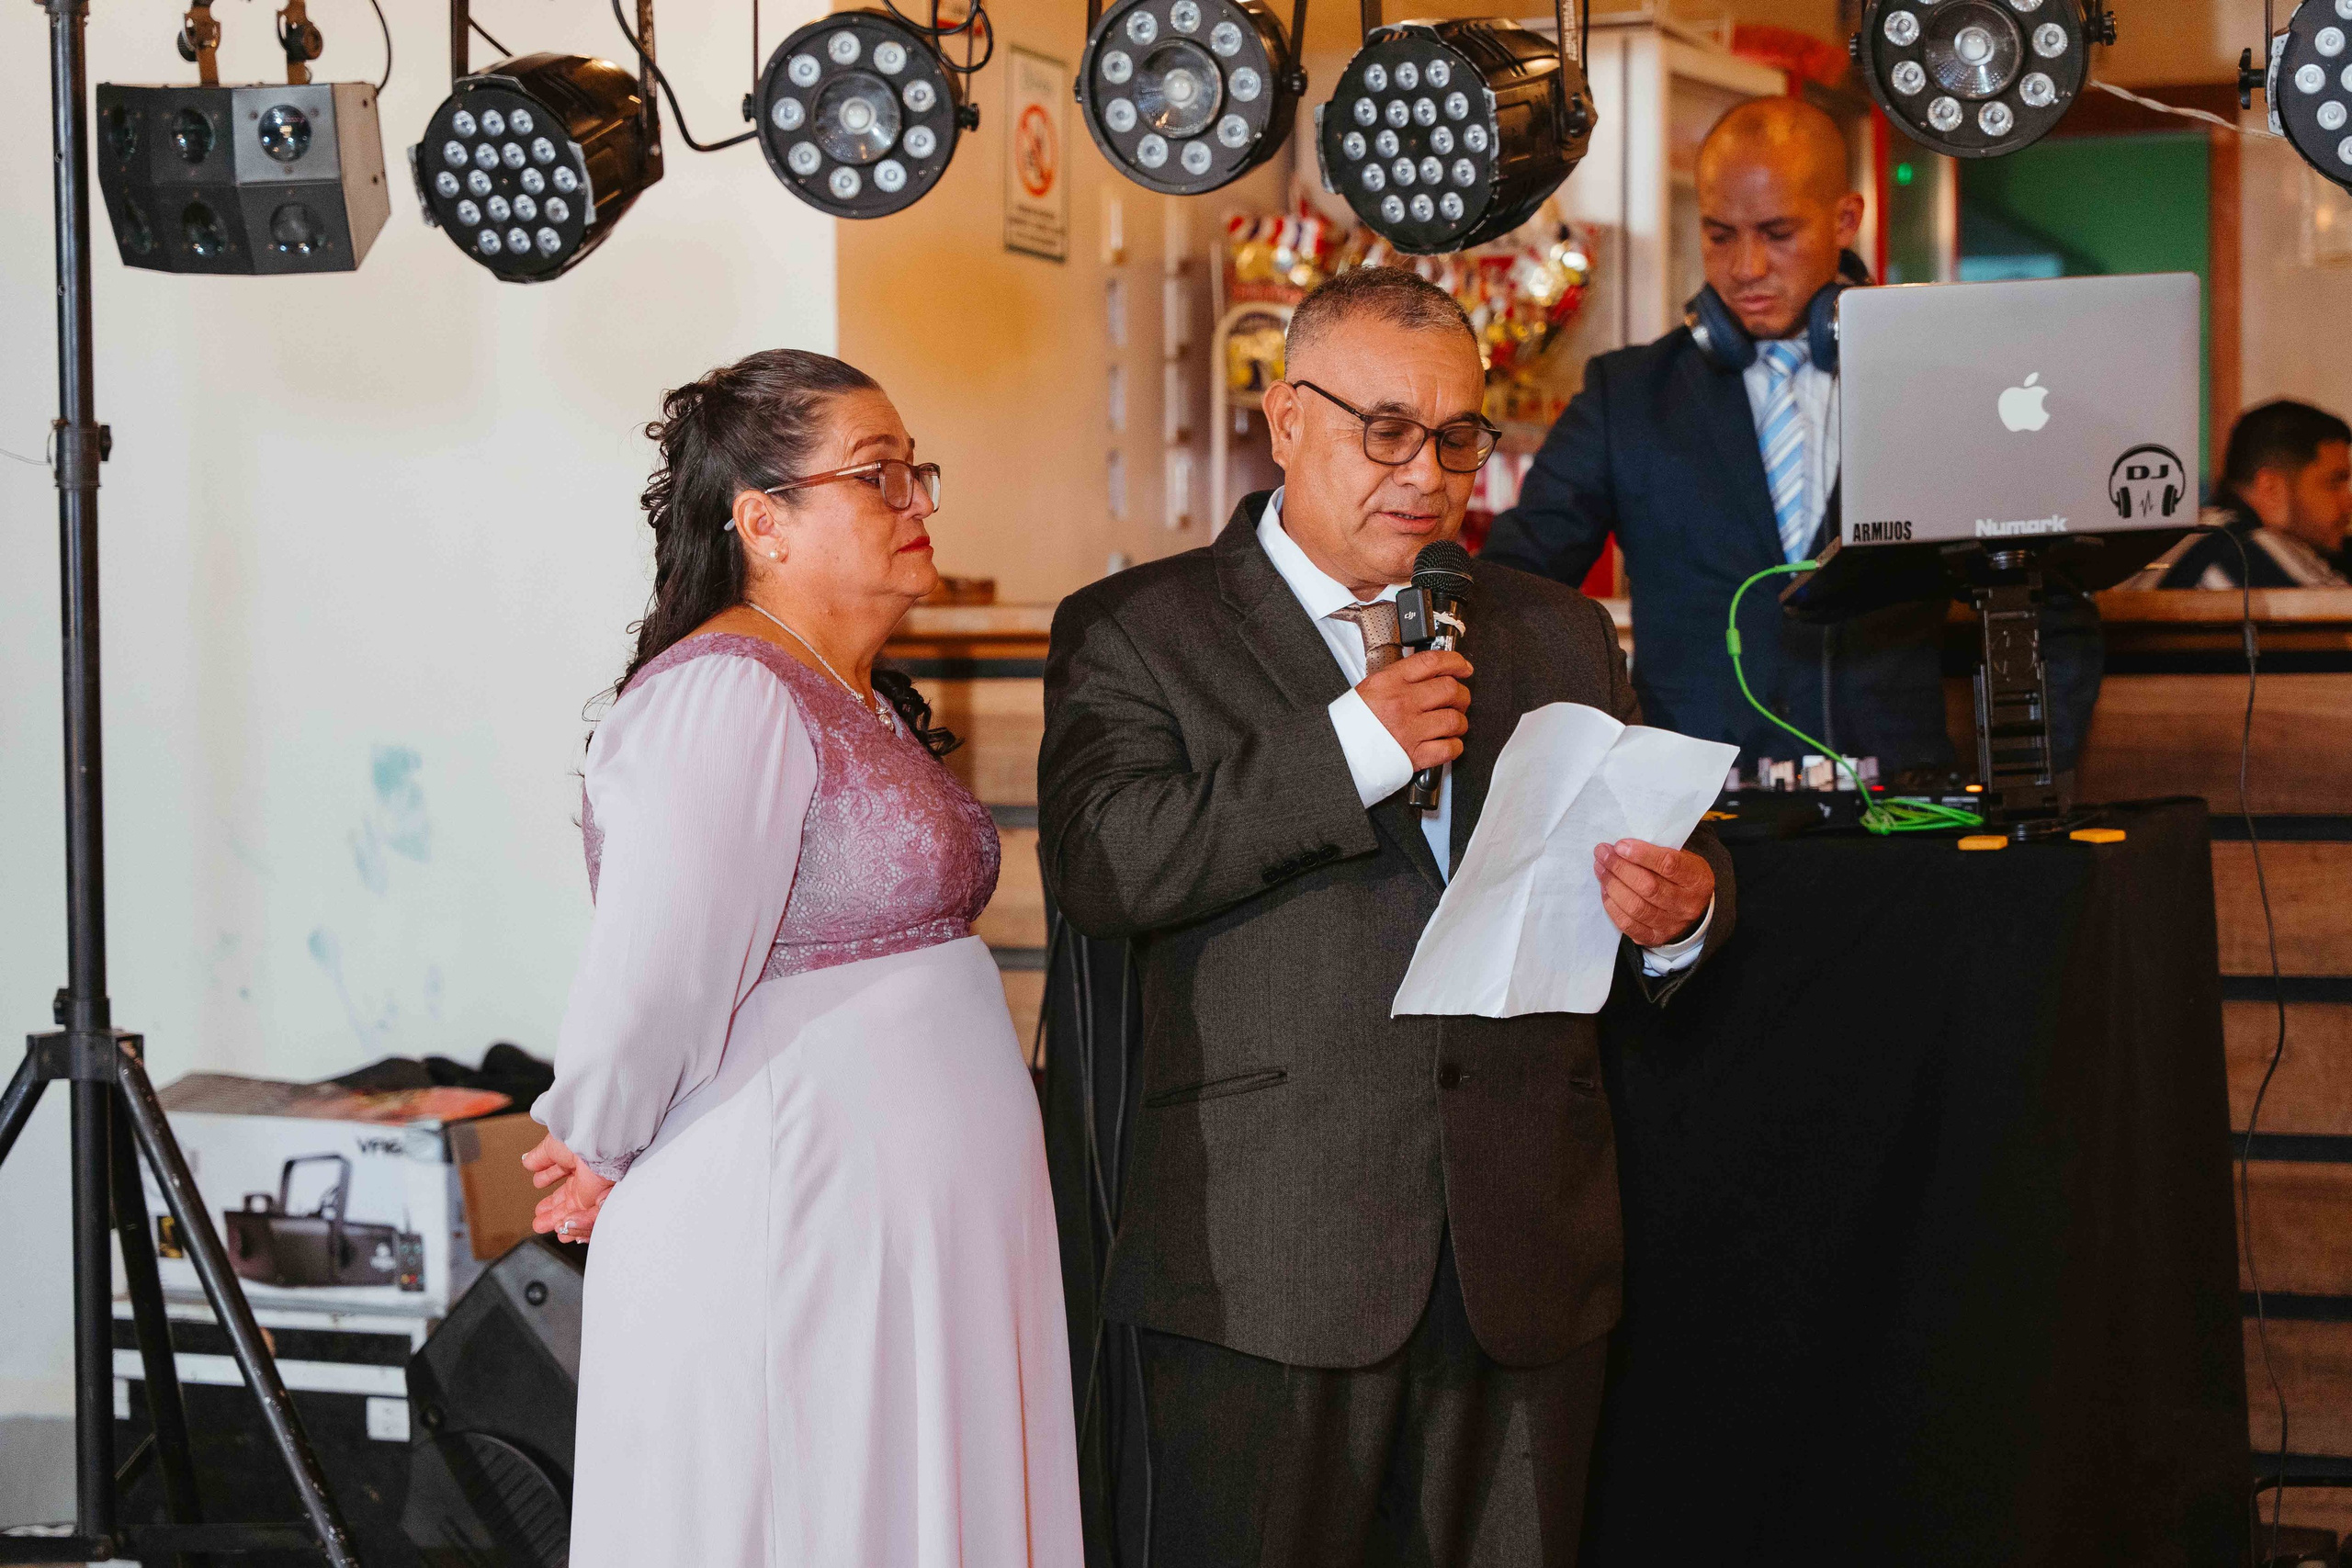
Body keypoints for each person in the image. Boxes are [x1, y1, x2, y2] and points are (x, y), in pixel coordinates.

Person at [1038, 266, 1735, 1566]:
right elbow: (1105, 864)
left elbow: (1658, 833)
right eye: (1388, 431)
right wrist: (1353, 744)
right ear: (1285, 417)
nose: (1428, 473)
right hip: (1270, 1254)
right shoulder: (1139, 629)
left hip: (1524, 1250)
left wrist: (1685, 910)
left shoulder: (1557, 631)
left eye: (1459, 437)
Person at [519, 349, 1082, 1567]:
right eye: (877, 475)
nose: (917, 501)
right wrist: (598, 1136)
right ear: (762, 522)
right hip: (803, 1216)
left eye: (916, 471)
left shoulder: (848, 691)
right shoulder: (725, 694)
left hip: (907, 1230)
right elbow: (656, 970)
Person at [1481, 96, 2104, 777]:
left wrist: (2021, 794)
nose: (1746, 267)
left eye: (1777, 233)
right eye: (1720, 236)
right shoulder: (1624, 396)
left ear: (1846, 219)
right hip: (1692, 817)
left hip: (1901, 808)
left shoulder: (1936, 389)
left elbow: (2049, 608)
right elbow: (1515, 595)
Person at [2128, 399, 2351, 588]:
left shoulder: (2200, 534)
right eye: (2334, 483)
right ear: (2270, 488)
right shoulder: (2245, 549)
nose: (2348, 501)